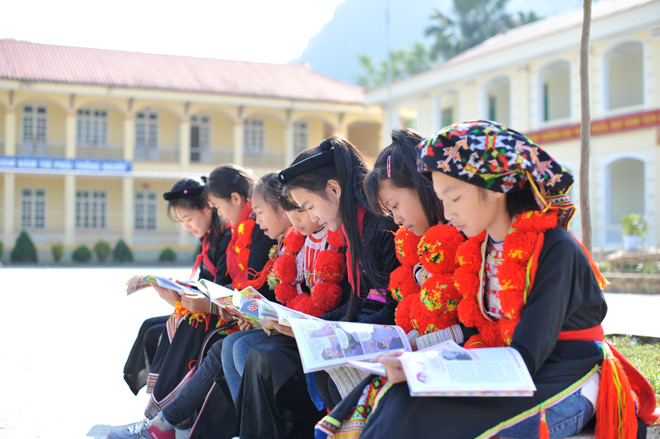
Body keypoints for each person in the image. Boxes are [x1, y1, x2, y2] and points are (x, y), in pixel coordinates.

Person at [317, 120, 659, 439]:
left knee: (423, 415)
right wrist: (418, 363)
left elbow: (527, 357)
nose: (447, 212)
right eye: (441, 199)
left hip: (564, 375)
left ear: (495, 188)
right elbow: (479, 334)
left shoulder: (555, 248)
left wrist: (426, 368)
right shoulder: (481, 250)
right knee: (393, 394)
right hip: (510, 371)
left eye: (454, 197)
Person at [235, 136, 399, 439]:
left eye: (309, 206)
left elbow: (384, 308)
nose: (312, 218)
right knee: (256, 351)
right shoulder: (356, 229)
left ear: (334, 189)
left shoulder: (380, 229)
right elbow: (359, 303)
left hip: (386, 340)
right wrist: (305, 326)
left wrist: (314, 330)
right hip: (363, 331)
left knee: (275, 359)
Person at [314, 129, 465, 437]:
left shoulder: (462, 241)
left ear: (424, 186)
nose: (396, 219)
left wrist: (412, 347)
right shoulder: (418, 246)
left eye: (396, 205)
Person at [108, 166, 277, 439]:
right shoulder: (236, 232)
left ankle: (165, 418)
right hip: (240, 311)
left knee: (200, 333)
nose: (257, 217)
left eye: (188, 217)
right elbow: (229, 287)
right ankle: (162, 418)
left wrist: (210, 305)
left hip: (241, 315)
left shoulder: (249, 231)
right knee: (161, 326)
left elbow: (250, 289)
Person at [122, 177, 231, 396]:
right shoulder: (209, 238)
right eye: (181, 221)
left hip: (221, 315)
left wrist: (179, 300)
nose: (186, 226)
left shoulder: (227, 237)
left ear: (208, 207)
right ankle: (159, 395)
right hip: (207, 309)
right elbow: (205, 283)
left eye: (188, 218)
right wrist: (181, 288)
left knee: (156, 333)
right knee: (149, 326)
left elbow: (221, 289)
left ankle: (167, 398)